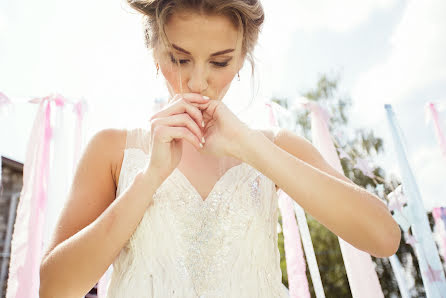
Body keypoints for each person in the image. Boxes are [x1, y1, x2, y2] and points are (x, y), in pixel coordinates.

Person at [39, 0, 401, 297]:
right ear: (154, 53)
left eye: (220, 61)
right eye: (179, 59)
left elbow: (384, 237)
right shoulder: (113, 149)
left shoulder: (275, 146)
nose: (198, 81)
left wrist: (251, 148)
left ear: (242, 58)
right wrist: (150, 178)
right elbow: (54, 288)